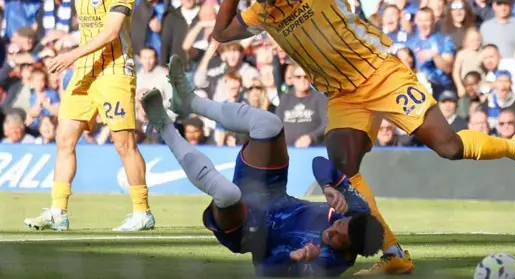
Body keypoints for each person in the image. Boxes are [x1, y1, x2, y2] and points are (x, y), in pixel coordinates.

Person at [211, 0, 515, 275]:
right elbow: (220, 33)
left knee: (449, 147)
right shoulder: (261, 13)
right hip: (343, 95)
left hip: (381, 74)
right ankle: (394, 253)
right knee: (344, 168)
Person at [144, 56, 383, 276]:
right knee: (269, 123)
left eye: (338, 238)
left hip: (250, 230)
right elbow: (319, 163)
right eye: (339, 224)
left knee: (228, 194)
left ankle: (163, 125)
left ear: (350, 252)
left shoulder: (329, 262)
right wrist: (328, 185)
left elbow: (263, 271)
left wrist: (292, 258)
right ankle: (190, 101)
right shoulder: (357, 209)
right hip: (272, 192)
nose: (332, 230)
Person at [24, 0, 155, 232]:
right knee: (64, 139)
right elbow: (88, 30)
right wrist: (73, 58)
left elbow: (111, 33)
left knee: (123, 143)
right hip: (84, 72)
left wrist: (71, 54)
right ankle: (59, 211)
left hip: (114, 70)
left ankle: (142, 211)